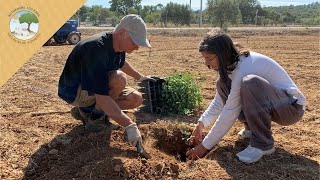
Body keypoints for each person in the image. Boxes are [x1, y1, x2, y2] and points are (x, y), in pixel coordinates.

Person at [186, 29, 305, 163]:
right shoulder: (232, 65)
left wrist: (204, 147)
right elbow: (219, 101)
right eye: (204, 58)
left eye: (209, 58)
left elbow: (230, 111)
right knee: (223, 84)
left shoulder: (244, 68)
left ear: (221, 54)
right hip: (277, 104)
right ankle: (251, 129)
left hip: (291, 109)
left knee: (250, 83)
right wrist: (201, 124)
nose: (206, 63)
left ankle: (263, 144)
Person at [58, 14, 154, 147]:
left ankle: (87, 110)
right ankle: (95, 119)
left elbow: (121, 62)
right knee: (119, 79)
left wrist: (140, 77)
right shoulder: (96, 48)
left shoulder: (117, 45)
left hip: (91, 87)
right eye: (134, 42)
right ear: (121, 33)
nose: (137, 47)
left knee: (135, 99)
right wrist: (129, 125)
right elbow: (103, 97)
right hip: (74, 91)